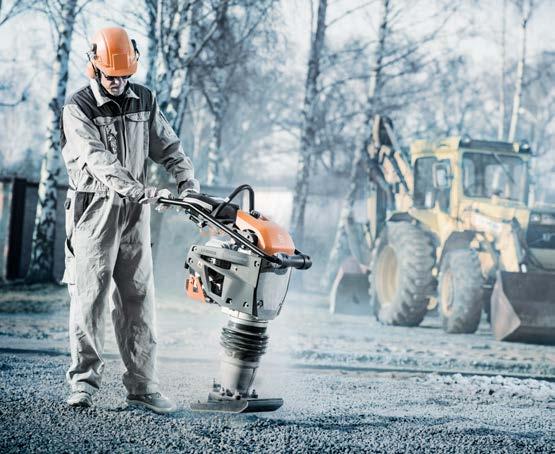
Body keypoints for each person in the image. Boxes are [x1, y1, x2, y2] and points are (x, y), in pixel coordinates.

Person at [60, 27, 199, 414]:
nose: (118, 82)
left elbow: (168, 146)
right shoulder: (78, 109)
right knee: (89, 298)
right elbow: (99, 162)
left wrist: (187, 181)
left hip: (134, 216)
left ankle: (143, 388)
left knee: (138, 299)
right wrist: (142, 190)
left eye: (124, 75)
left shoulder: (145, 101)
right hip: (94, 211)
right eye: (110, 76)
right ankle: (84, 385)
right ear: (95, 68)